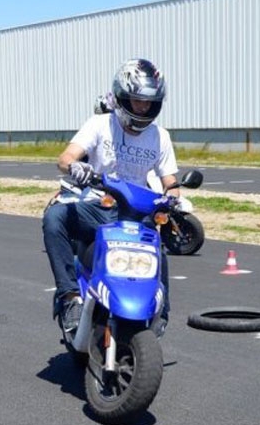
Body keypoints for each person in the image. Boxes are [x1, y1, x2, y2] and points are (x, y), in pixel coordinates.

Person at [42, 58, 179, 337]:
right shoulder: (100, 124)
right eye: (136, 100)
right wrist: (75, 166)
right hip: (96, 205)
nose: (143, 107)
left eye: (149, 102)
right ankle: (69, 298)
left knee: (159, 253)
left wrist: (173, 197)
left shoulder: (160, 136)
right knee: (54, 217)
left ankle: (161, 311)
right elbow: (65, 157)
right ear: (120, 97)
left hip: (136, 212)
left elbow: (170, 181)